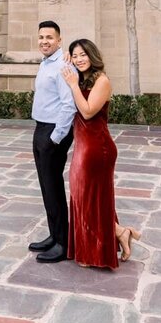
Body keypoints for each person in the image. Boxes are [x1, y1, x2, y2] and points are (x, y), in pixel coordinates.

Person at [61, 38, 141, 269]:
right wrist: (66, 59)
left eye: (83, 54)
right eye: (75, 55)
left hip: (98, 150)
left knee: (93, 200)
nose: (79, 59)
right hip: (81, 149)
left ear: (93, 56)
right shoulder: (82, 80)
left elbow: (86, 113)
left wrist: (74, 84)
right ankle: (121, 232)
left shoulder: (102, 81)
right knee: (83, 199)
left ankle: (97, 251)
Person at [28, 20, 77, 264]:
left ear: (59, 40)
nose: (44, 41)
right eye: (41, 37)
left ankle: (63, 243)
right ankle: (54, 235)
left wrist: (55, 138)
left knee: (53, 186)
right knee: (46, 187)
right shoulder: (46, 63)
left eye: (49, 37)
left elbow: (69, 105)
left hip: (53, 132)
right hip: (40, 127)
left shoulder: (63, 66)